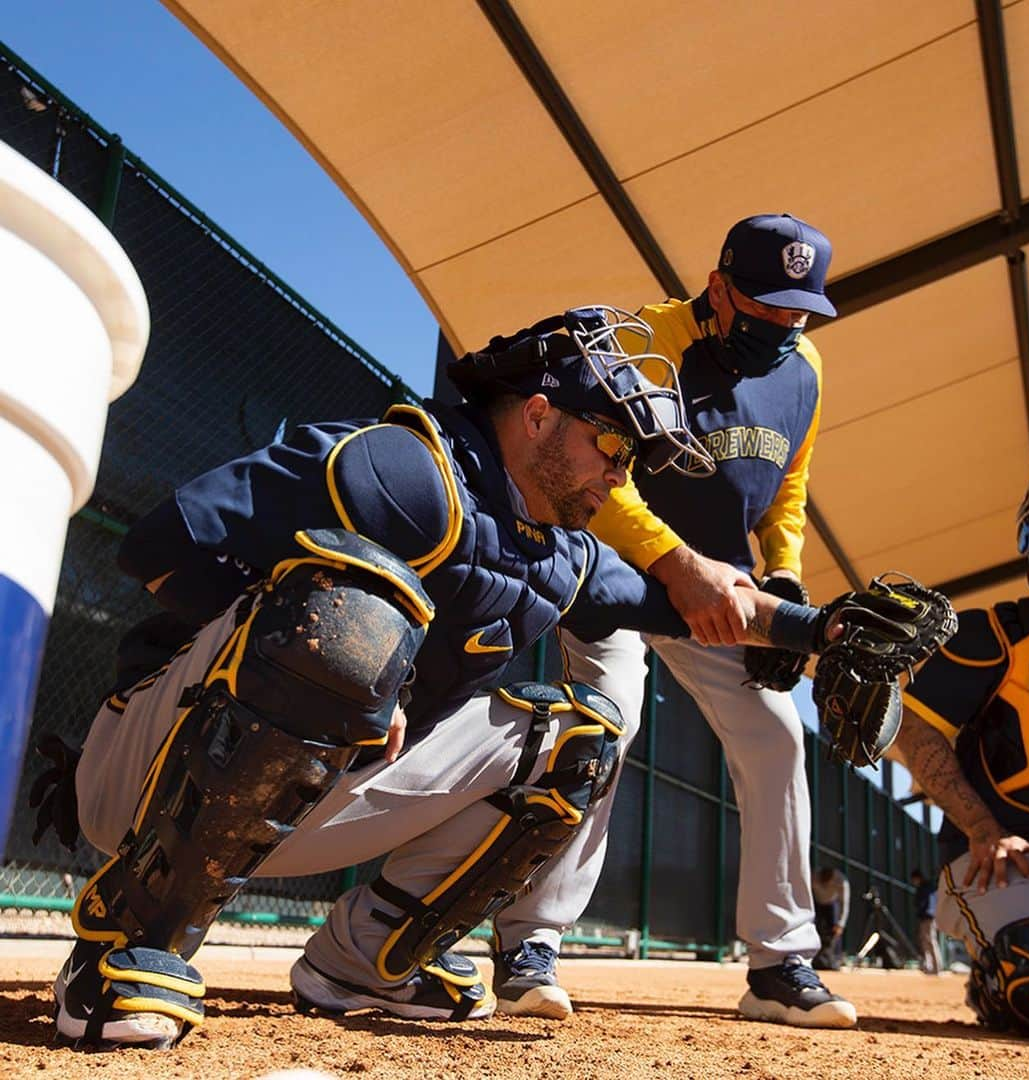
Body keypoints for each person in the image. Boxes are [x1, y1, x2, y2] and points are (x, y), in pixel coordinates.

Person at [39, 307, 865, 1051]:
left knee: (580, 737)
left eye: (631, 464)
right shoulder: (399, 466)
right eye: (612, 447)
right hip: (151, 775)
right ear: (538, 415)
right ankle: (129, 944)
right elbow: (155, 547)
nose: (621, 479)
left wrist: (826, 629)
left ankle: (366, 959)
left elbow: (681, 605)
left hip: (309, 804)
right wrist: (322, 650)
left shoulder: (561, 550)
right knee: (355, 614)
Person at [489, 214, 857, 1029]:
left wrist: (785, 576)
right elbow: (594, 473)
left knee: (777, 739)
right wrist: (672, 561)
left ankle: (781, 962)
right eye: (764, 307)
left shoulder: (808, 369)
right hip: (621, 569)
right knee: (605, 725)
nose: (782, 326)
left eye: (798, 312)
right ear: (718, 287)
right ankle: (531, 941)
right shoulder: (642, 337)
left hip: (722, 585)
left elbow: (788, 483)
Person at [895, 456, 1029, 1038]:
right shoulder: (992, 633)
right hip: (1006, 863)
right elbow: (910, 727)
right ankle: (996, 979)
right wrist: (981, 826)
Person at [811, 867, 849, 971]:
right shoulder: (813, 877)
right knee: (814, 930)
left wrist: (840, 924)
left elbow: (844, 903)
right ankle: (815, 958)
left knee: (834, 932)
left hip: (831, 904)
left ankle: (834, 959)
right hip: (816, 903)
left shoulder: (841, 881)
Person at [909, 868, 941, 975]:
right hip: (925, 918)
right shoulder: (926, 887)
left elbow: (927, 904)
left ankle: (936, 967)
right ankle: (929, 966)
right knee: (925, 942)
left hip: (928, 918)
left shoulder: (926, 888)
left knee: (931, 941)